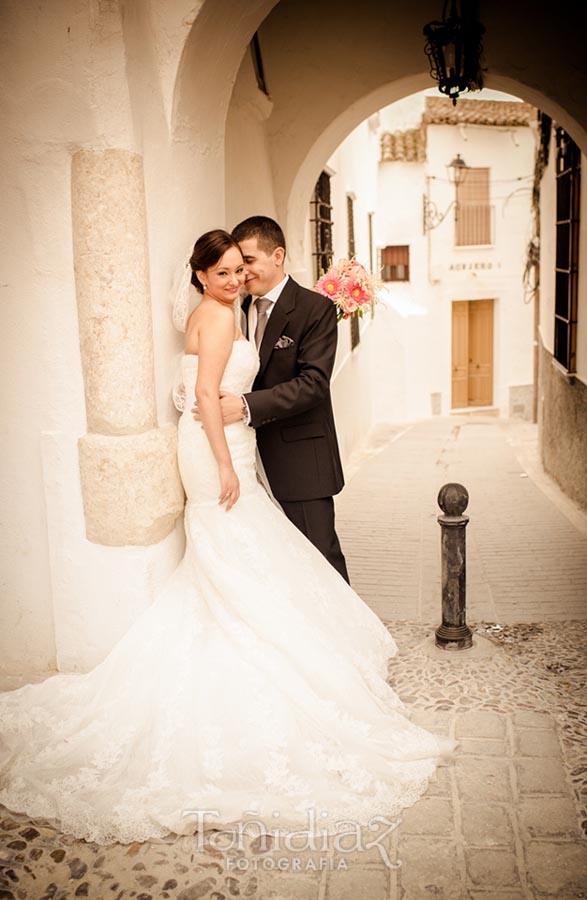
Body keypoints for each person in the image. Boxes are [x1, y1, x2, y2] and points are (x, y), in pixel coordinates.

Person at [0, 230, 453, 847]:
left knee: (254, 555)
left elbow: (231, 388)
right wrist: (223, 463)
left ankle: (306, 650)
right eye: (223, 272)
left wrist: (222, 428)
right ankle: (278, 657)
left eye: (240, 269)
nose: (236, 279)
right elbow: (208, 400)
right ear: (201, 276)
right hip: (219, 452)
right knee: (237, 552)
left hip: (238, 445)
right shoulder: (215, 318)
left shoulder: (232, 311)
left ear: (262, 262)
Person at [193, 216, 349, 582]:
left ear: (277, 256)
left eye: (248, 262)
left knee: (320, 555)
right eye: (234, 265)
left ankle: (342, 637)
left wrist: (246, 406)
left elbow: (313, 384)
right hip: (248, 459)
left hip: (300, 458)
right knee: (279, 565)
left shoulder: (315, 309)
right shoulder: (236, 307)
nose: (241, 274)